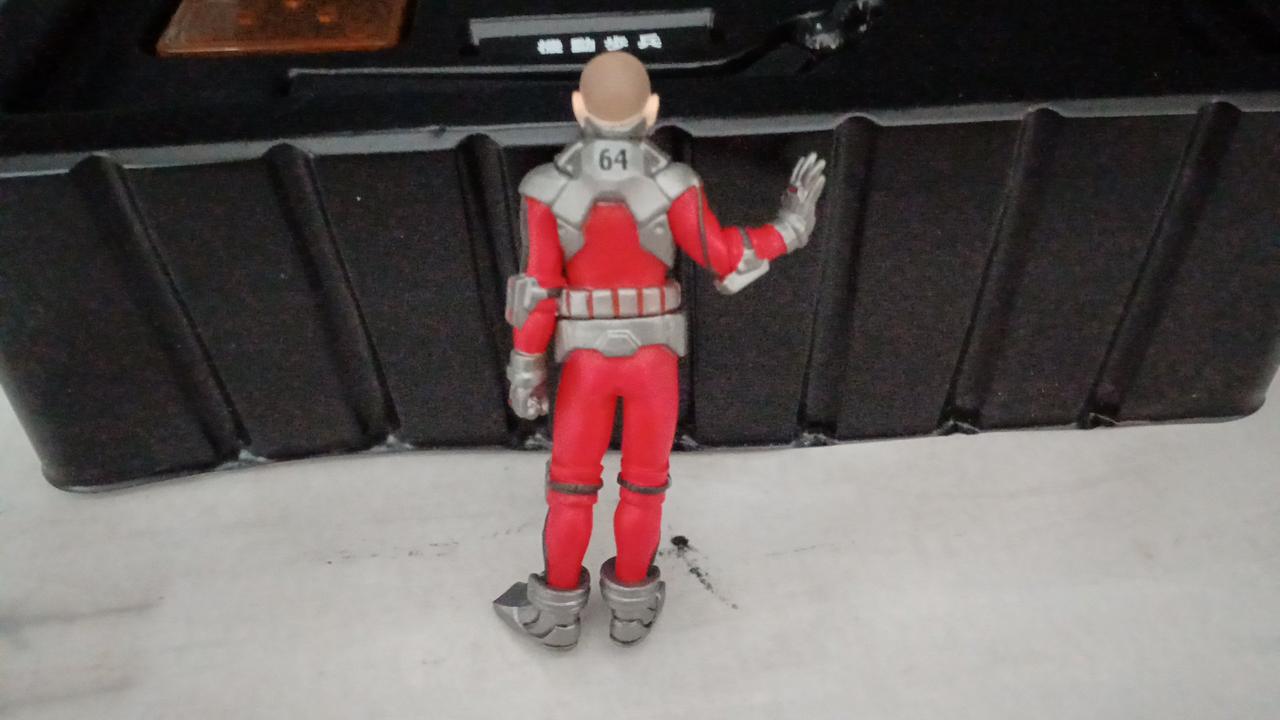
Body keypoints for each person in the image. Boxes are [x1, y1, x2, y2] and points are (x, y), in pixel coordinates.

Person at [493, 51, 827, 649]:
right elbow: (725, 256)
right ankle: (632, 608)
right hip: (654, 361)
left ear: (578, 109)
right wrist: (791, 227)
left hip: (586, 361)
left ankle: (555, 614)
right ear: (650, 112)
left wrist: (525, 368)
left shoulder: (546, 190)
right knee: (645, 486)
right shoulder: (674, 185)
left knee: (570, 488)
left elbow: (537, 292)